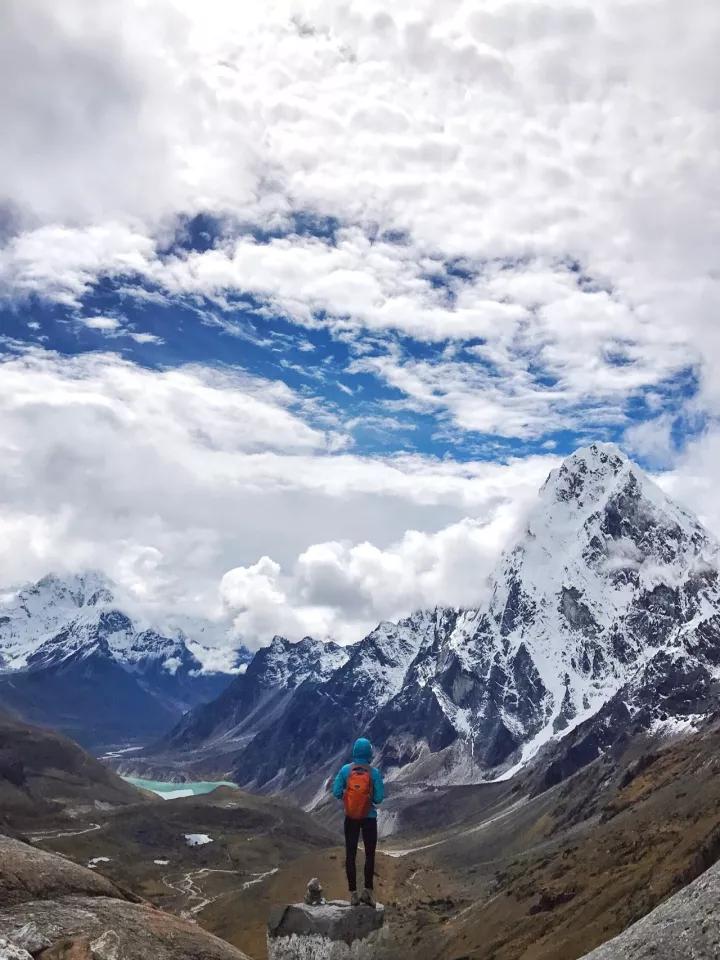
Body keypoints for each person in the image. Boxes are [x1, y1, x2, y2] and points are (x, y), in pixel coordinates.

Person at [332, 736, 384, 907]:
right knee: (369, 855)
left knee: (351, 855)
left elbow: (336, 792)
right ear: (369, 752)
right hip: (369, 819)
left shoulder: (346, 770)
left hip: (351, 818)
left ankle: (353, 894)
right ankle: (367, 892)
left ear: (355, 751)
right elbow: (379, 798)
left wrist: (349, 798)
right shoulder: (374, 773)